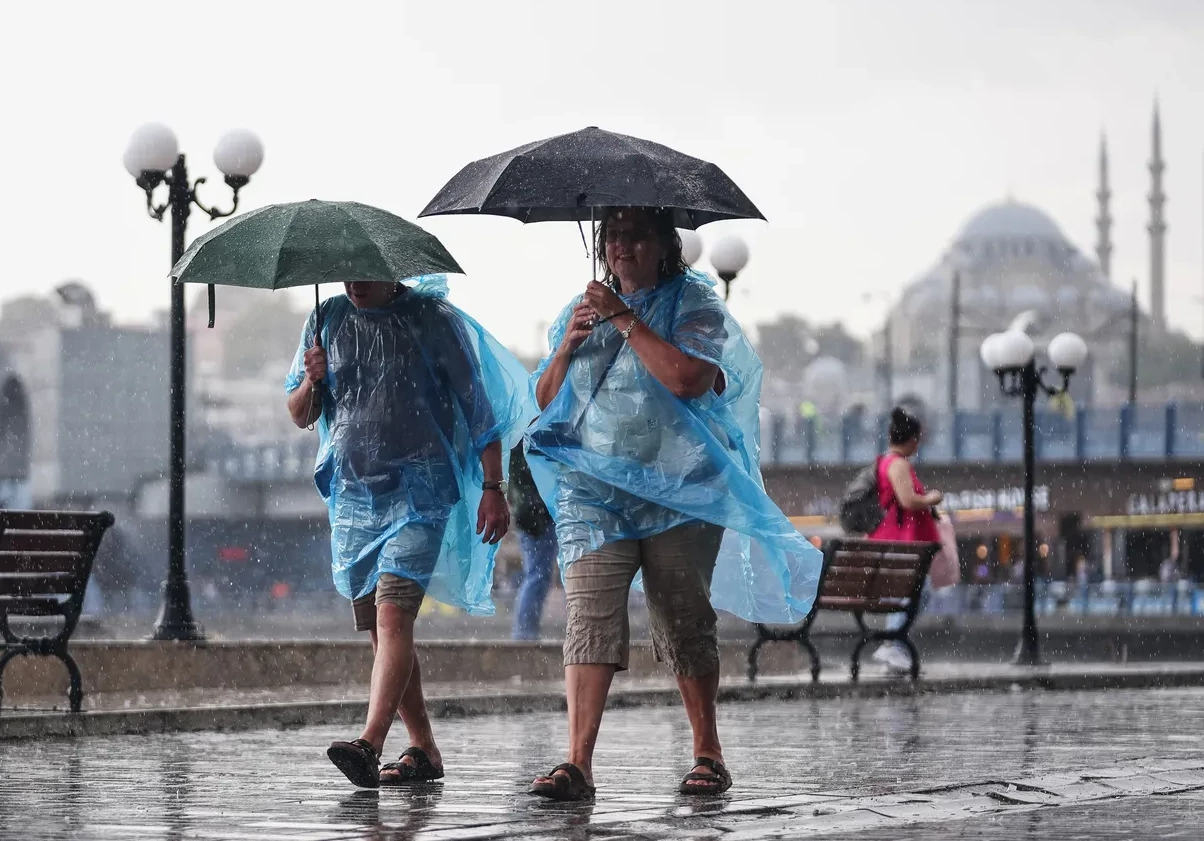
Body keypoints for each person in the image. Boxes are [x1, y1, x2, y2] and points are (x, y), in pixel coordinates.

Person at [525, 207, 823, 800]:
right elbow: (546, 397)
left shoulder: (697, 306)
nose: (620, 245)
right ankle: (577, 762)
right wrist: (566, 347)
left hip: (680, 490)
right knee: (589, 615)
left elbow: (688, 379)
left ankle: (707, 750)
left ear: (666, 244)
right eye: (611, 234)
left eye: (635, 234)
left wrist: (624, 320)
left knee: (683, 618)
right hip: (593, 491)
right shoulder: (579, 309)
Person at [285, 276, 531, 788]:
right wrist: (312, 380)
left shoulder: (431, 320)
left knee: (394, 615)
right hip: (355, 502)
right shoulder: (326, 319)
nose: (354, 283)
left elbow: (477, 409)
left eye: (366, 272)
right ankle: (423, 748)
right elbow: (300, 413)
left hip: (419, 495)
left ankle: (369, 743)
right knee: (382, 632)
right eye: (347, 271)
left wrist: (493, 485)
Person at [868, 407, 943, 674]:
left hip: (899, 538)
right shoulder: (897, 464)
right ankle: (893, 645)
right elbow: (907, 500)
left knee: (905, 595)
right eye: (918, 439)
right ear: (911, 440)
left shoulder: (888, 462)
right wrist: (932, 498)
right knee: (911, 594)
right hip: (901, 539)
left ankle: (894, 648)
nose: (918, 445)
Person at [509, 441, 559, 641]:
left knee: (538, 573)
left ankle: (525, 631)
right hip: (536, 515)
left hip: (530, 513)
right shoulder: (527, 442)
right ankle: (524, 632)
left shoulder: (516, 442)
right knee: (538, 574)